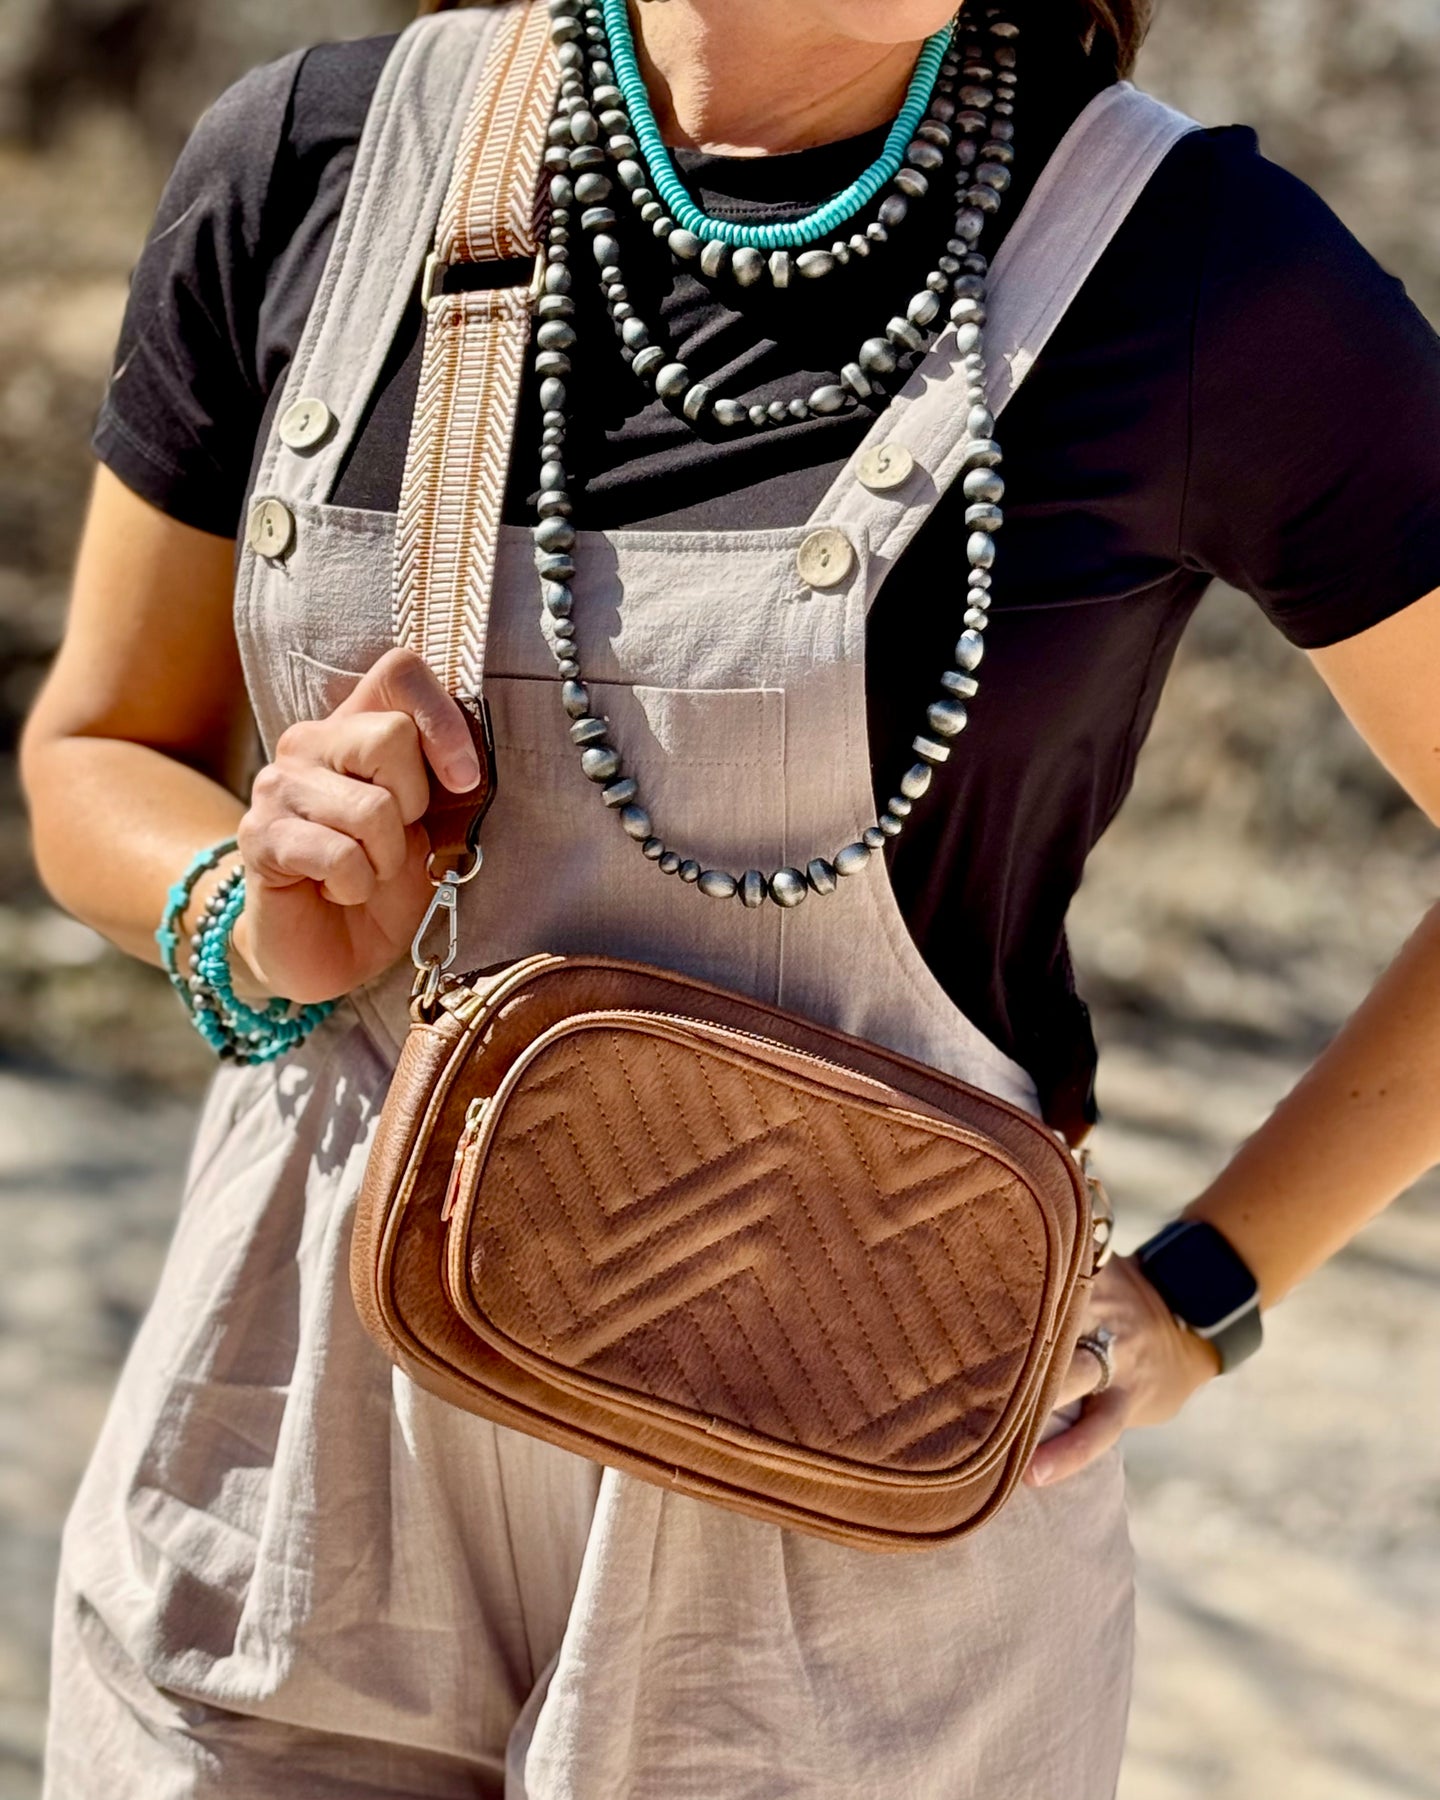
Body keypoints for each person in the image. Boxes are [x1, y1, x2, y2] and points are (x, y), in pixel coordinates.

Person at [20, 0, 1440, 1793]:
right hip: (289, 1452)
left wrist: (1211, 1285)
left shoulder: (1196, 267)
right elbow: (93, 750)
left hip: (840, 1517)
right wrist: (245, 904)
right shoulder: (315, 160)